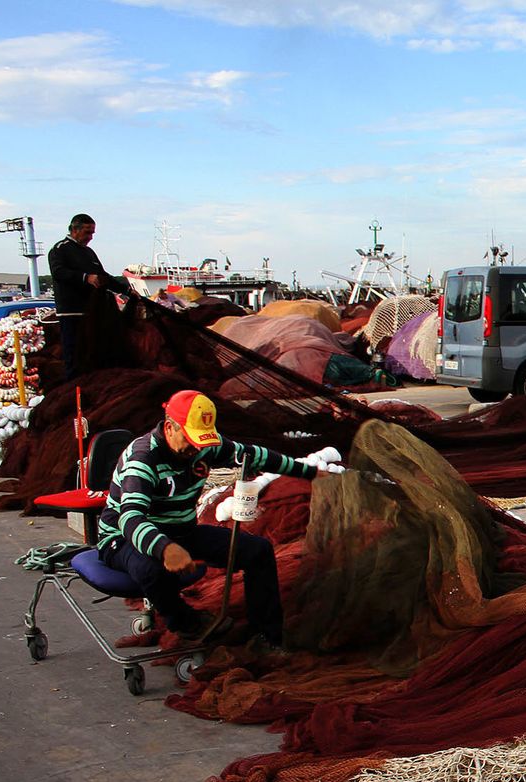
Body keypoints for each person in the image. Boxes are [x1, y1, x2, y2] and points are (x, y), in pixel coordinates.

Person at [95, 390, 328, 655]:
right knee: (153, 569)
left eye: (202, 441)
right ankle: (187, 624)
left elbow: (256, 455)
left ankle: (267, 637)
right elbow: (130, 517)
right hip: (122, 539)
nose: (197, 448)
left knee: (258, 551)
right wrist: (165, 548)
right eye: (191, 439)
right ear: (170, 427)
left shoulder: (203, 448)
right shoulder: (142, 459)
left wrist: (308, 472)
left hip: (181, 530)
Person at [47, 214, 129, 379]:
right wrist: (85, 277)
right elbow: (58, 272)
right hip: (71, 312)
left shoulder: (89, 253)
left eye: (92, 233)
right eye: (87, 232)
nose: (90, 237)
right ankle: (72, 389)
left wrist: (126, 290)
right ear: (74, 230)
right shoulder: (60, 249)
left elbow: (102, 276)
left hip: (92, 312)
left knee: (93, 353)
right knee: (74, 353)